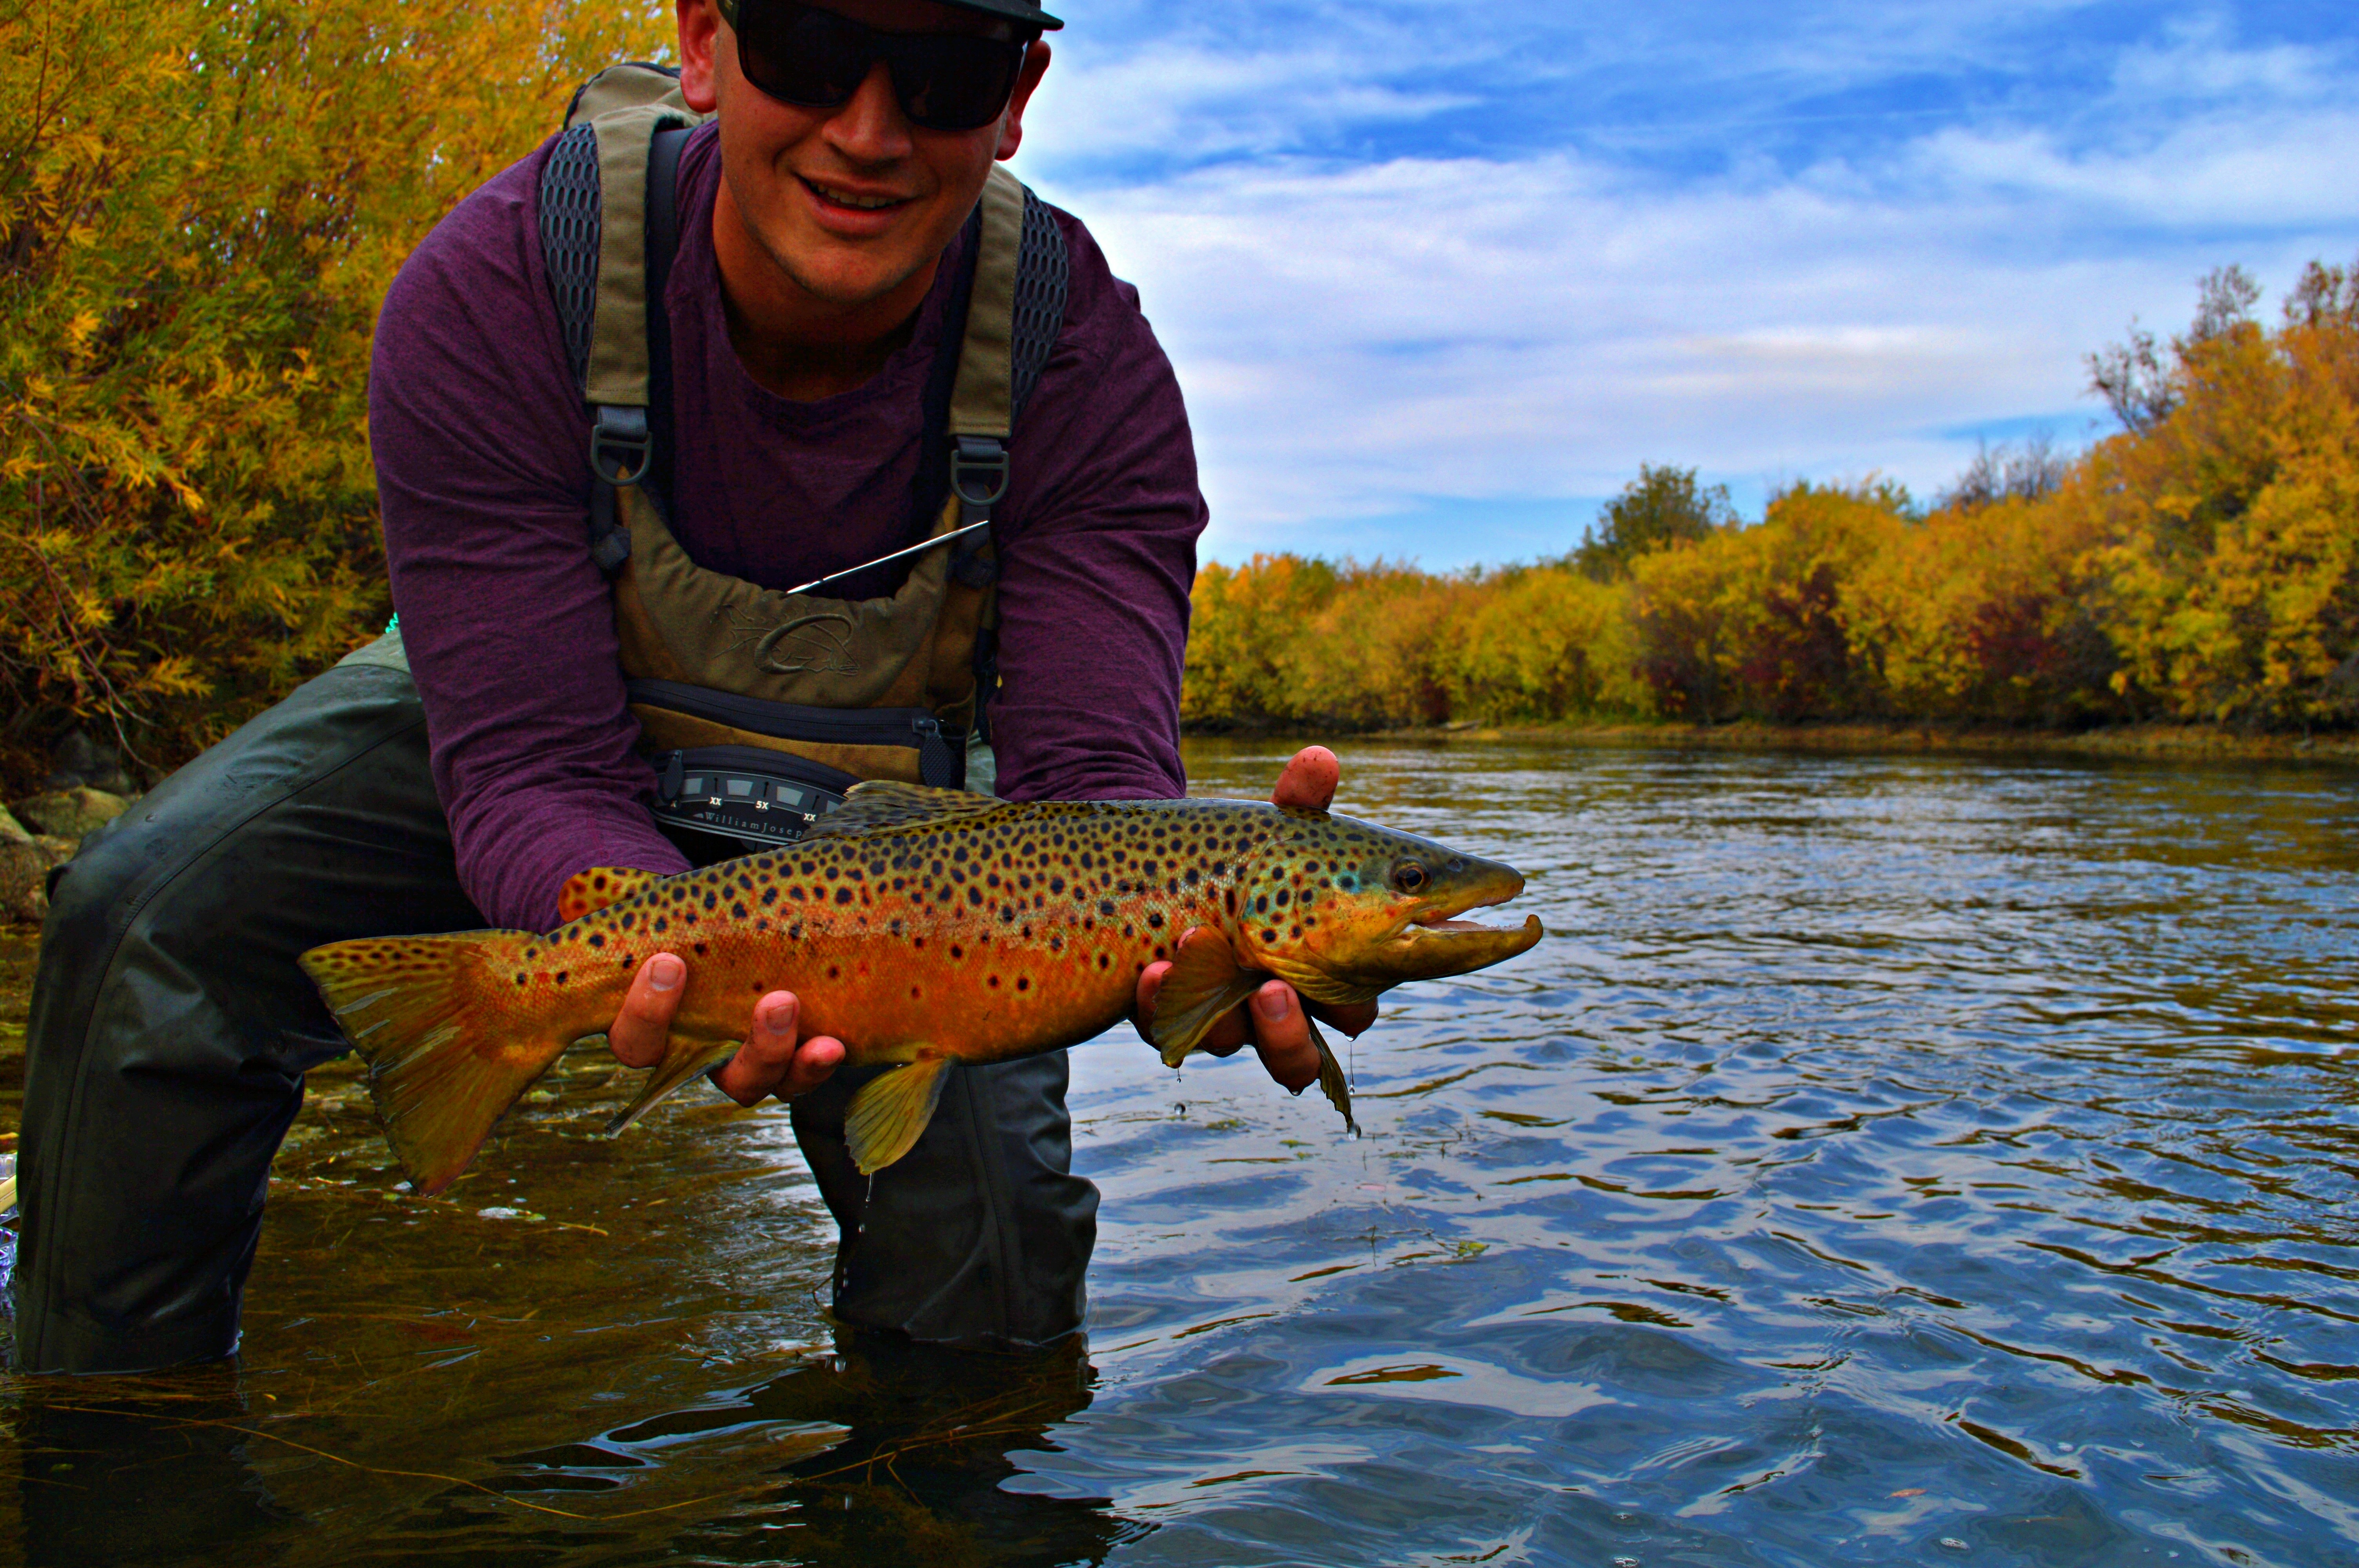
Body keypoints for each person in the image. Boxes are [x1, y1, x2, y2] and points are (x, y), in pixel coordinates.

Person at [12, 0, 1371, 1375]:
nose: (868, 130)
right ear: (709, 41)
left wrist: (1197, 940)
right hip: (531, 723)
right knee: (144, 922)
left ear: (1018, 93)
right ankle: (112, 1447)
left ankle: (952, 1493)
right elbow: (532, 764)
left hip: (903, 842)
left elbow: (1087, 795)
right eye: (813, 48)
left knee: (992, 1254)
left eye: (946, 71)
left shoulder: (1083, 360)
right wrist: (636, 952)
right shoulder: (503, 284)